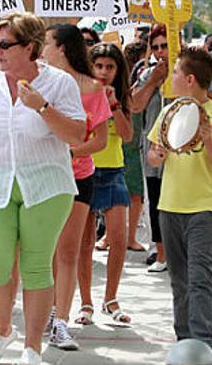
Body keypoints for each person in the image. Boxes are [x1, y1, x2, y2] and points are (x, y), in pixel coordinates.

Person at [0, 12, 86, 365]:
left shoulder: (60, 83)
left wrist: (41, 106)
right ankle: (2, 330)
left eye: (5, 45)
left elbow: (76, 135)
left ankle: (32, 347)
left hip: (46, 185)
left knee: (36, 266)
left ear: (30, 48)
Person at [147, 47, 212, 356]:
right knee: (179, 280)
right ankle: (184, 340)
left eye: (174, 73)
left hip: (203, 209)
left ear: (190, 79)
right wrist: (158, 154)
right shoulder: (169, 112)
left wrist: (208, 139)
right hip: (169, 206)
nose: (170, 77)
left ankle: (203, 341)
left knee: (200, 277)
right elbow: (153, 157)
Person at [39, 25, 110, 349]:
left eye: (47, 43)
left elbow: (100, 140)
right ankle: (45, 312)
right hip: (43, 176)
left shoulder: (92, 87)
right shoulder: (40, 83)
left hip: (79, 177)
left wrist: (70, 151)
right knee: (45, 250)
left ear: (63, 48)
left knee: (67, 250)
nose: (41, 48)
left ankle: (61, 320)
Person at [82, 42, 134, 327]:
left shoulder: (122, 96)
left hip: (113, 171)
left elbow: (127, 136)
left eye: (110, 67)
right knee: (84, 242)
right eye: (99, 66)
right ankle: (86, 302)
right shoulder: (81, 95)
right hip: (86, 170)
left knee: (118, 237)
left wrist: (113, 103)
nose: (103, 72)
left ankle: (111, 298)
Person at [130, 24, 170, 272]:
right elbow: (135, 104)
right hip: (153, 147)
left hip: (183, 150)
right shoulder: (148, 73)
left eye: (164, 46)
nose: (159, 52)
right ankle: (161, 254)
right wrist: (154, 80)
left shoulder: (189, 68)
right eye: (155, 47)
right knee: (155, 198)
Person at [122, 40, 148, 251]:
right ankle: (117, 236)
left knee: (135, 188)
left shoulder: (149, 70)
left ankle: (129, 236)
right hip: (127, 137)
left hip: (139, 138)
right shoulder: (141, 72)